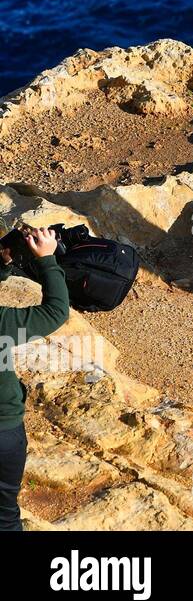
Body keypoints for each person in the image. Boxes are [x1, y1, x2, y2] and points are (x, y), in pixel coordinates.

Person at [0, 226, 70, 531]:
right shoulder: (3, 322)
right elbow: (56, 311)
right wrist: (47, 259)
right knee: (4, 516)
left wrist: (3, 261)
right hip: (3, 431)